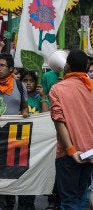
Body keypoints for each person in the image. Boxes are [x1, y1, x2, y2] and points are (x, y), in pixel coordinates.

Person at [0, 53, 29, 209]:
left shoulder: (20, 87)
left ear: (11, 69)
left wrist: (25, 113)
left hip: (15, 140)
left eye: (2, 66)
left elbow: (24, 107)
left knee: (10, 173)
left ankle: (8, 200)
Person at [49, 50, 93, 210]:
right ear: (87, 66)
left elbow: (59, 122)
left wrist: (71, 150)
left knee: (69, 201)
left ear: (67, 66)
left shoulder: (57, 89)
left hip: (68, 154)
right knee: (80, 197)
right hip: (90, 152)